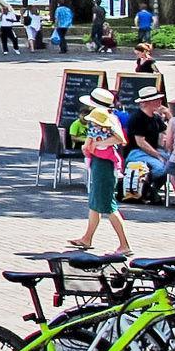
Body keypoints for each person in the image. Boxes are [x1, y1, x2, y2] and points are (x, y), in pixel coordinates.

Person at [71, 106, 131, 253]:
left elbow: (120, 139)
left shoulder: (110, 123)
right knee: (95, 204)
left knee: (109, 206)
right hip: (99, 165)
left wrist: (99, 143)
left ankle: (124, 245)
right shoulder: (99, 126)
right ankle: (87, 238)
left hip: (104, 168)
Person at [123, 89, 172, 200]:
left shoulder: (156, 118)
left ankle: (151, 190)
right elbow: (141, 142)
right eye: (156, 100)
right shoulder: (137, 118)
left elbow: (171, 131)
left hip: (152, 151)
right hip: (136, 152)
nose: (160, 102)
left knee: (173, 163)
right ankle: (147, 189)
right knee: (160, 168)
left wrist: (168, 115)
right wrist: (158, 156)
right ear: (147, 103)